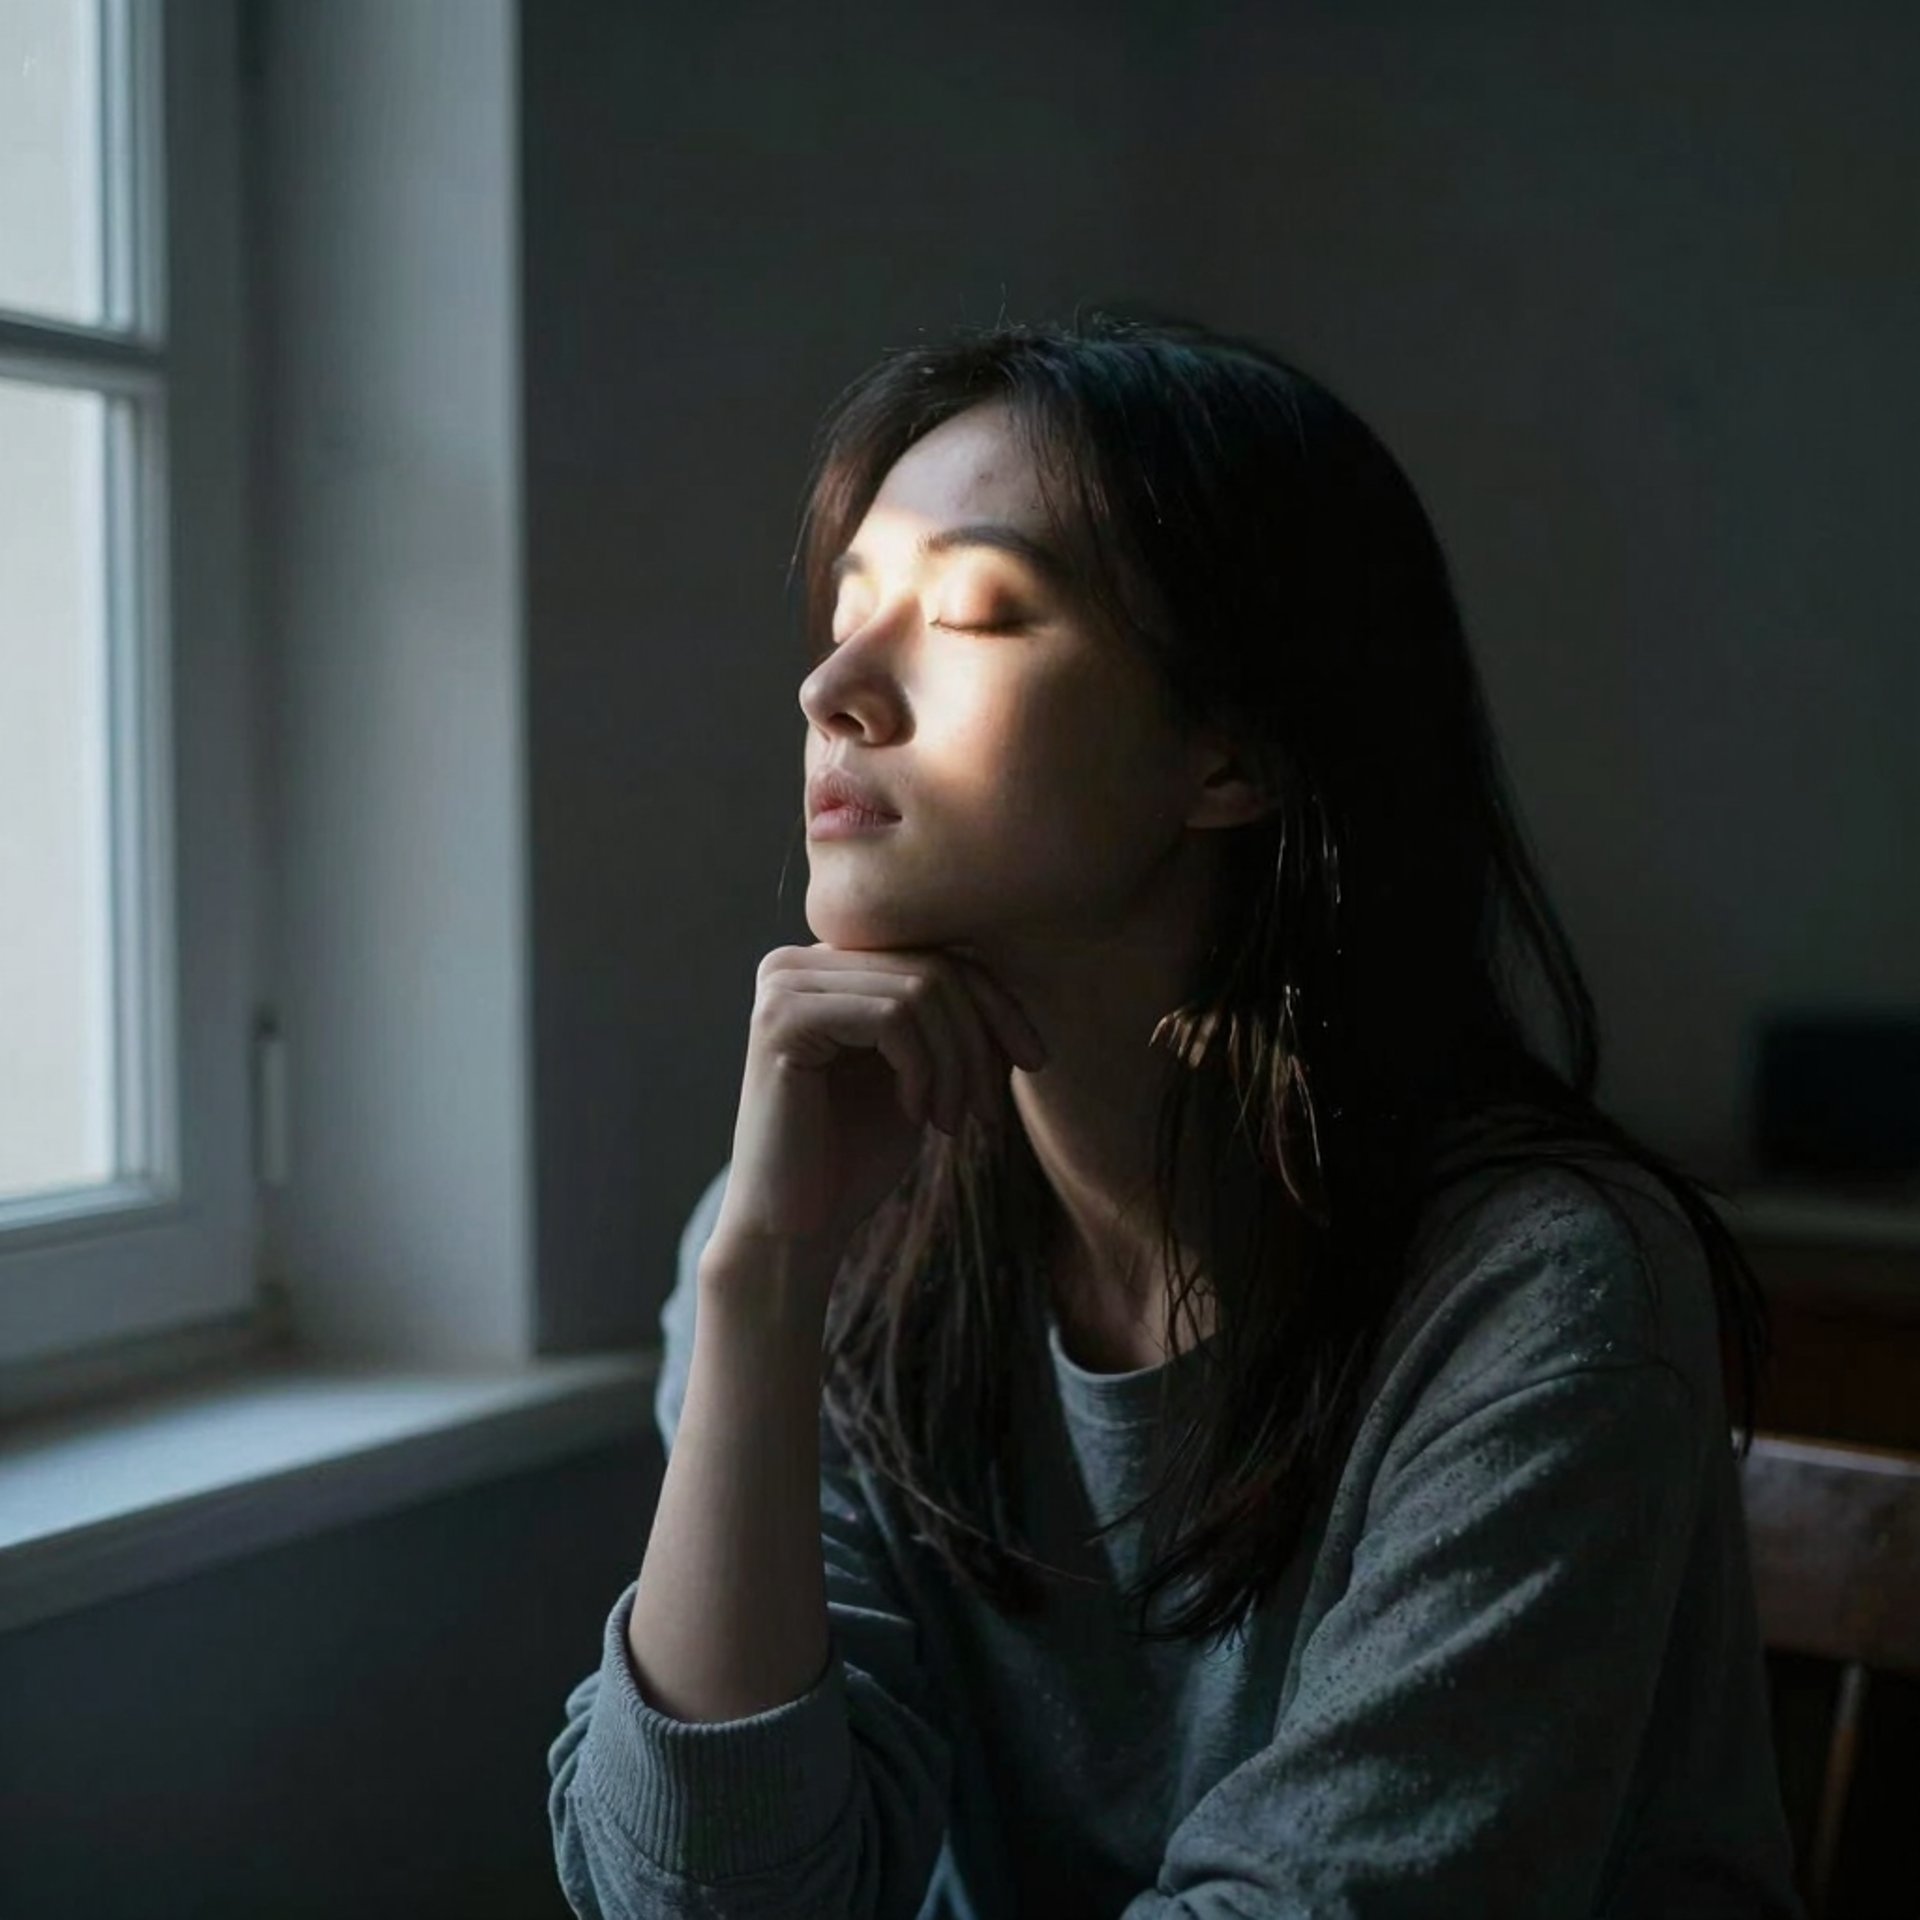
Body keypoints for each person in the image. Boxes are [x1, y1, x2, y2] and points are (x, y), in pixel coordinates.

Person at [546, 307, 1807, 1918]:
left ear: (1237, 749)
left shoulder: (1543, 1292)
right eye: (850, 608)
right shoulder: (823, 1244)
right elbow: (701, 1900)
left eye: (981, 611)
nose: (835, 687)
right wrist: (761, 1279)